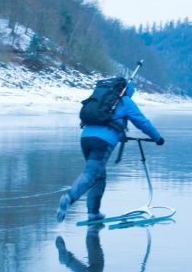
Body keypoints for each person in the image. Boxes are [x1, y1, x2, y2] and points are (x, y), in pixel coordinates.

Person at [56, 82, 164, 222]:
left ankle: (93, 213)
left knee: (99, 176)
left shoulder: (102, 101)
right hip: (102, 142)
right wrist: (157, 138)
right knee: (91, 173)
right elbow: (143, 122)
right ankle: (69, 198)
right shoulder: (125, 101)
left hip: (85, 138)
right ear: (128, 91)